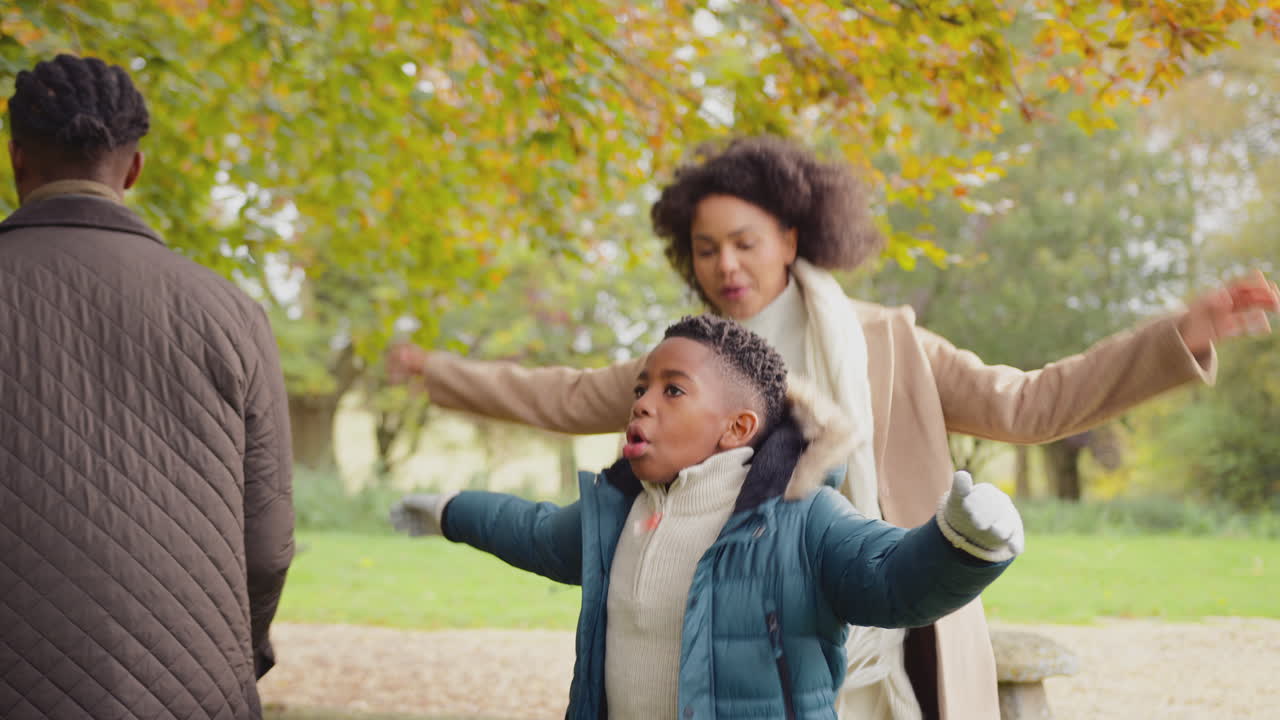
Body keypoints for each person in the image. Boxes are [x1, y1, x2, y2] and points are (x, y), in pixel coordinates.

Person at [388, 136, 1280, 719]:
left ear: (789, 234)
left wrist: (1181, 337)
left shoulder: (886, 342)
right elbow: (557, 395)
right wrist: (440, 374)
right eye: (704, 249)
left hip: (888, 643)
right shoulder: (684, 368)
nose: (725, 264)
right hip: (735, 656)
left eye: (743, 241)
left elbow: (1030, 403)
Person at [390, 314, 1024, 720]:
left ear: (737, 428)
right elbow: (528, 531)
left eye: (672, 390)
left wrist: (961, 545)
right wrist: (452, 511)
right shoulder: (616, 517)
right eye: (640, 388)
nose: (641, 404)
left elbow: (891, 581)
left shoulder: (801, 519)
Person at [0, 55, 294, 719]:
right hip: (190, 692)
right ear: (133, 168)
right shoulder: (231, 313)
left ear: (16, 157)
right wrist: (231, 654)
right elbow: (269, 542)